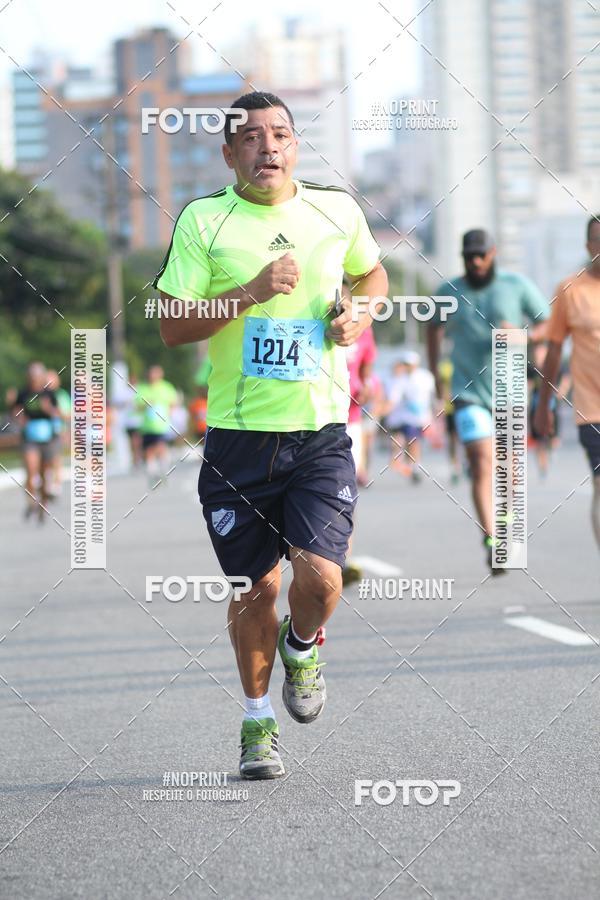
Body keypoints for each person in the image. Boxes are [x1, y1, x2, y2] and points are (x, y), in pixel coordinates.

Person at [155, 90, 388, 779]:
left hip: (319, 432)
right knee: (254, 589)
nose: (268, 148)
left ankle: (305, 643)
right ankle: (257, 726)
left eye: (280, 135)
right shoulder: (204, 221)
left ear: (295, 145)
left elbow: (371, 271)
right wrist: (250, 293)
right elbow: (172, 325)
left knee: (319, 577)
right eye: (251, 138)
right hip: (237, 441)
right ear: (230, 153)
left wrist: (363, 312)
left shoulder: (335, 210)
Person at [428, 229, 549, 573]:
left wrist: (523, 335)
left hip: (510, 392)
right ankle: (492, 539)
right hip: (468, 393)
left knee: (508, 469)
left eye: (481, 255)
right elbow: (431, 328)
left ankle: (505, 518)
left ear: (493, 253)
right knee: (482, 462)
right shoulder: (449, 291)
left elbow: (549, 325)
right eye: (469, 257)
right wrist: (435, 372)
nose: (476, 262)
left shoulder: (517, 286)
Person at [534, 214, 600, 554]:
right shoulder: (570, 289)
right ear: (589, 245)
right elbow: (554, 350)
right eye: (597, 241)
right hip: (592, 408)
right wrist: (545, 406)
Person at [12, 362, 59, 521]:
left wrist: (48, 410)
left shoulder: (49, 394)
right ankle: (31, 501)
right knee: (31, 471)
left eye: (37, 376)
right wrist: (20, 417)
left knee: (44, 474)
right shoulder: (23, 393)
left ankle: (43, 504)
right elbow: (15, 411)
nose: (34, 379)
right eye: (32, 376)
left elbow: (58, 413)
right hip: (30, 437)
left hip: (47, 437)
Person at [384, 351, 435, 483]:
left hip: (420, 417)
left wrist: (433, 414)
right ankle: (412, 466)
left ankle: (414, 466)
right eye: (406, 364)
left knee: (413, 442)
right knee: (406, 441)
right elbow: (393, 400)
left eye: (410, 364)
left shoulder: (425, 377)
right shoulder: (400, 379)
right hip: (403, 418)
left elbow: (432, 396)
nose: (408, 367)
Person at [136, 365, 177, 484]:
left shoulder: (166, 387)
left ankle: (164, 471)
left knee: (161, 446)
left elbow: (173, 403)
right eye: (151, 373)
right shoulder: (143, 388)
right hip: (148, 425)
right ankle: (152, 473)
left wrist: (169, 414)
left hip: (162, 425)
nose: (153, 376)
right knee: (149, 449)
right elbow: (137, 405)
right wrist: (146, 404)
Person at [438, 358, 461, 484]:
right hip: (449, 409)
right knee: (452, 439)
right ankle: (454, 467)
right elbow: (440, 384)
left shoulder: (465, 361)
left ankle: (467, 463)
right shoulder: (444, 365)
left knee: (466, 438)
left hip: (465, 405)